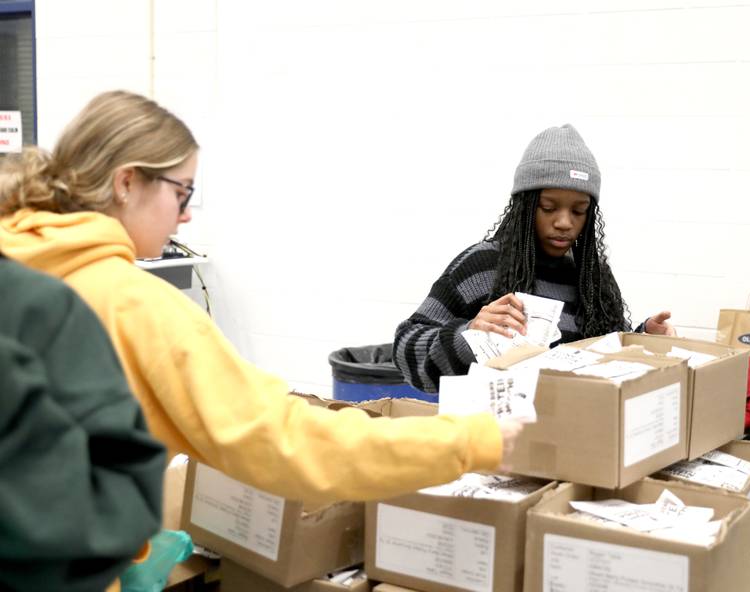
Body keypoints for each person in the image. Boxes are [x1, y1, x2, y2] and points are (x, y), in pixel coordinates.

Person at [0, 90, 522, 509]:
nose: (185, 216)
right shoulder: (133, 304)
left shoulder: (18, 261)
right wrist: (470, 441)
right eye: (181, 193)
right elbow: (286, 441)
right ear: (127, 182)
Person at [394, 124, 675, 393]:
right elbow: (405, 347)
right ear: (526, 207)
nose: (564, 222)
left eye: (579, 211)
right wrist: (468, 336)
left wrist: (644, 338)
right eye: (548, 207)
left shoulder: (594, 278)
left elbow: (610, 356)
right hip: (496, 436)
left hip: (578, 433)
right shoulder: (480, 267)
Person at [0, 253, 166, 592]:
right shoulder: (42, 304)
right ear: (125, 194)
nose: (185, 217)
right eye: (179, 197)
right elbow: (112, 515)